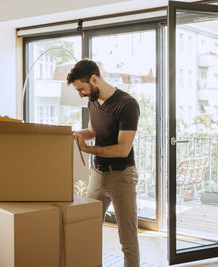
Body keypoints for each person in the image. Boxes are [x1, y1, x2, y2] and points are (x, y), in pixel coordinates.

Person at [67, 59, 140, 267]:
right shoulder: (92, 101)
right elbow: (92, 132)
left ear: (94, 79)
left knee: (128, 238)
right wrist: (70, 135)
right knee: (87, 229)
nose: (81, 94)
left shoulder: (127, 104)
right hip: (98, 175)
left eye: (82, 89)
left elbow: (122, 149)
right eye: (78, 91)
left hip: (121, 176)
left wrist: (88, 149)